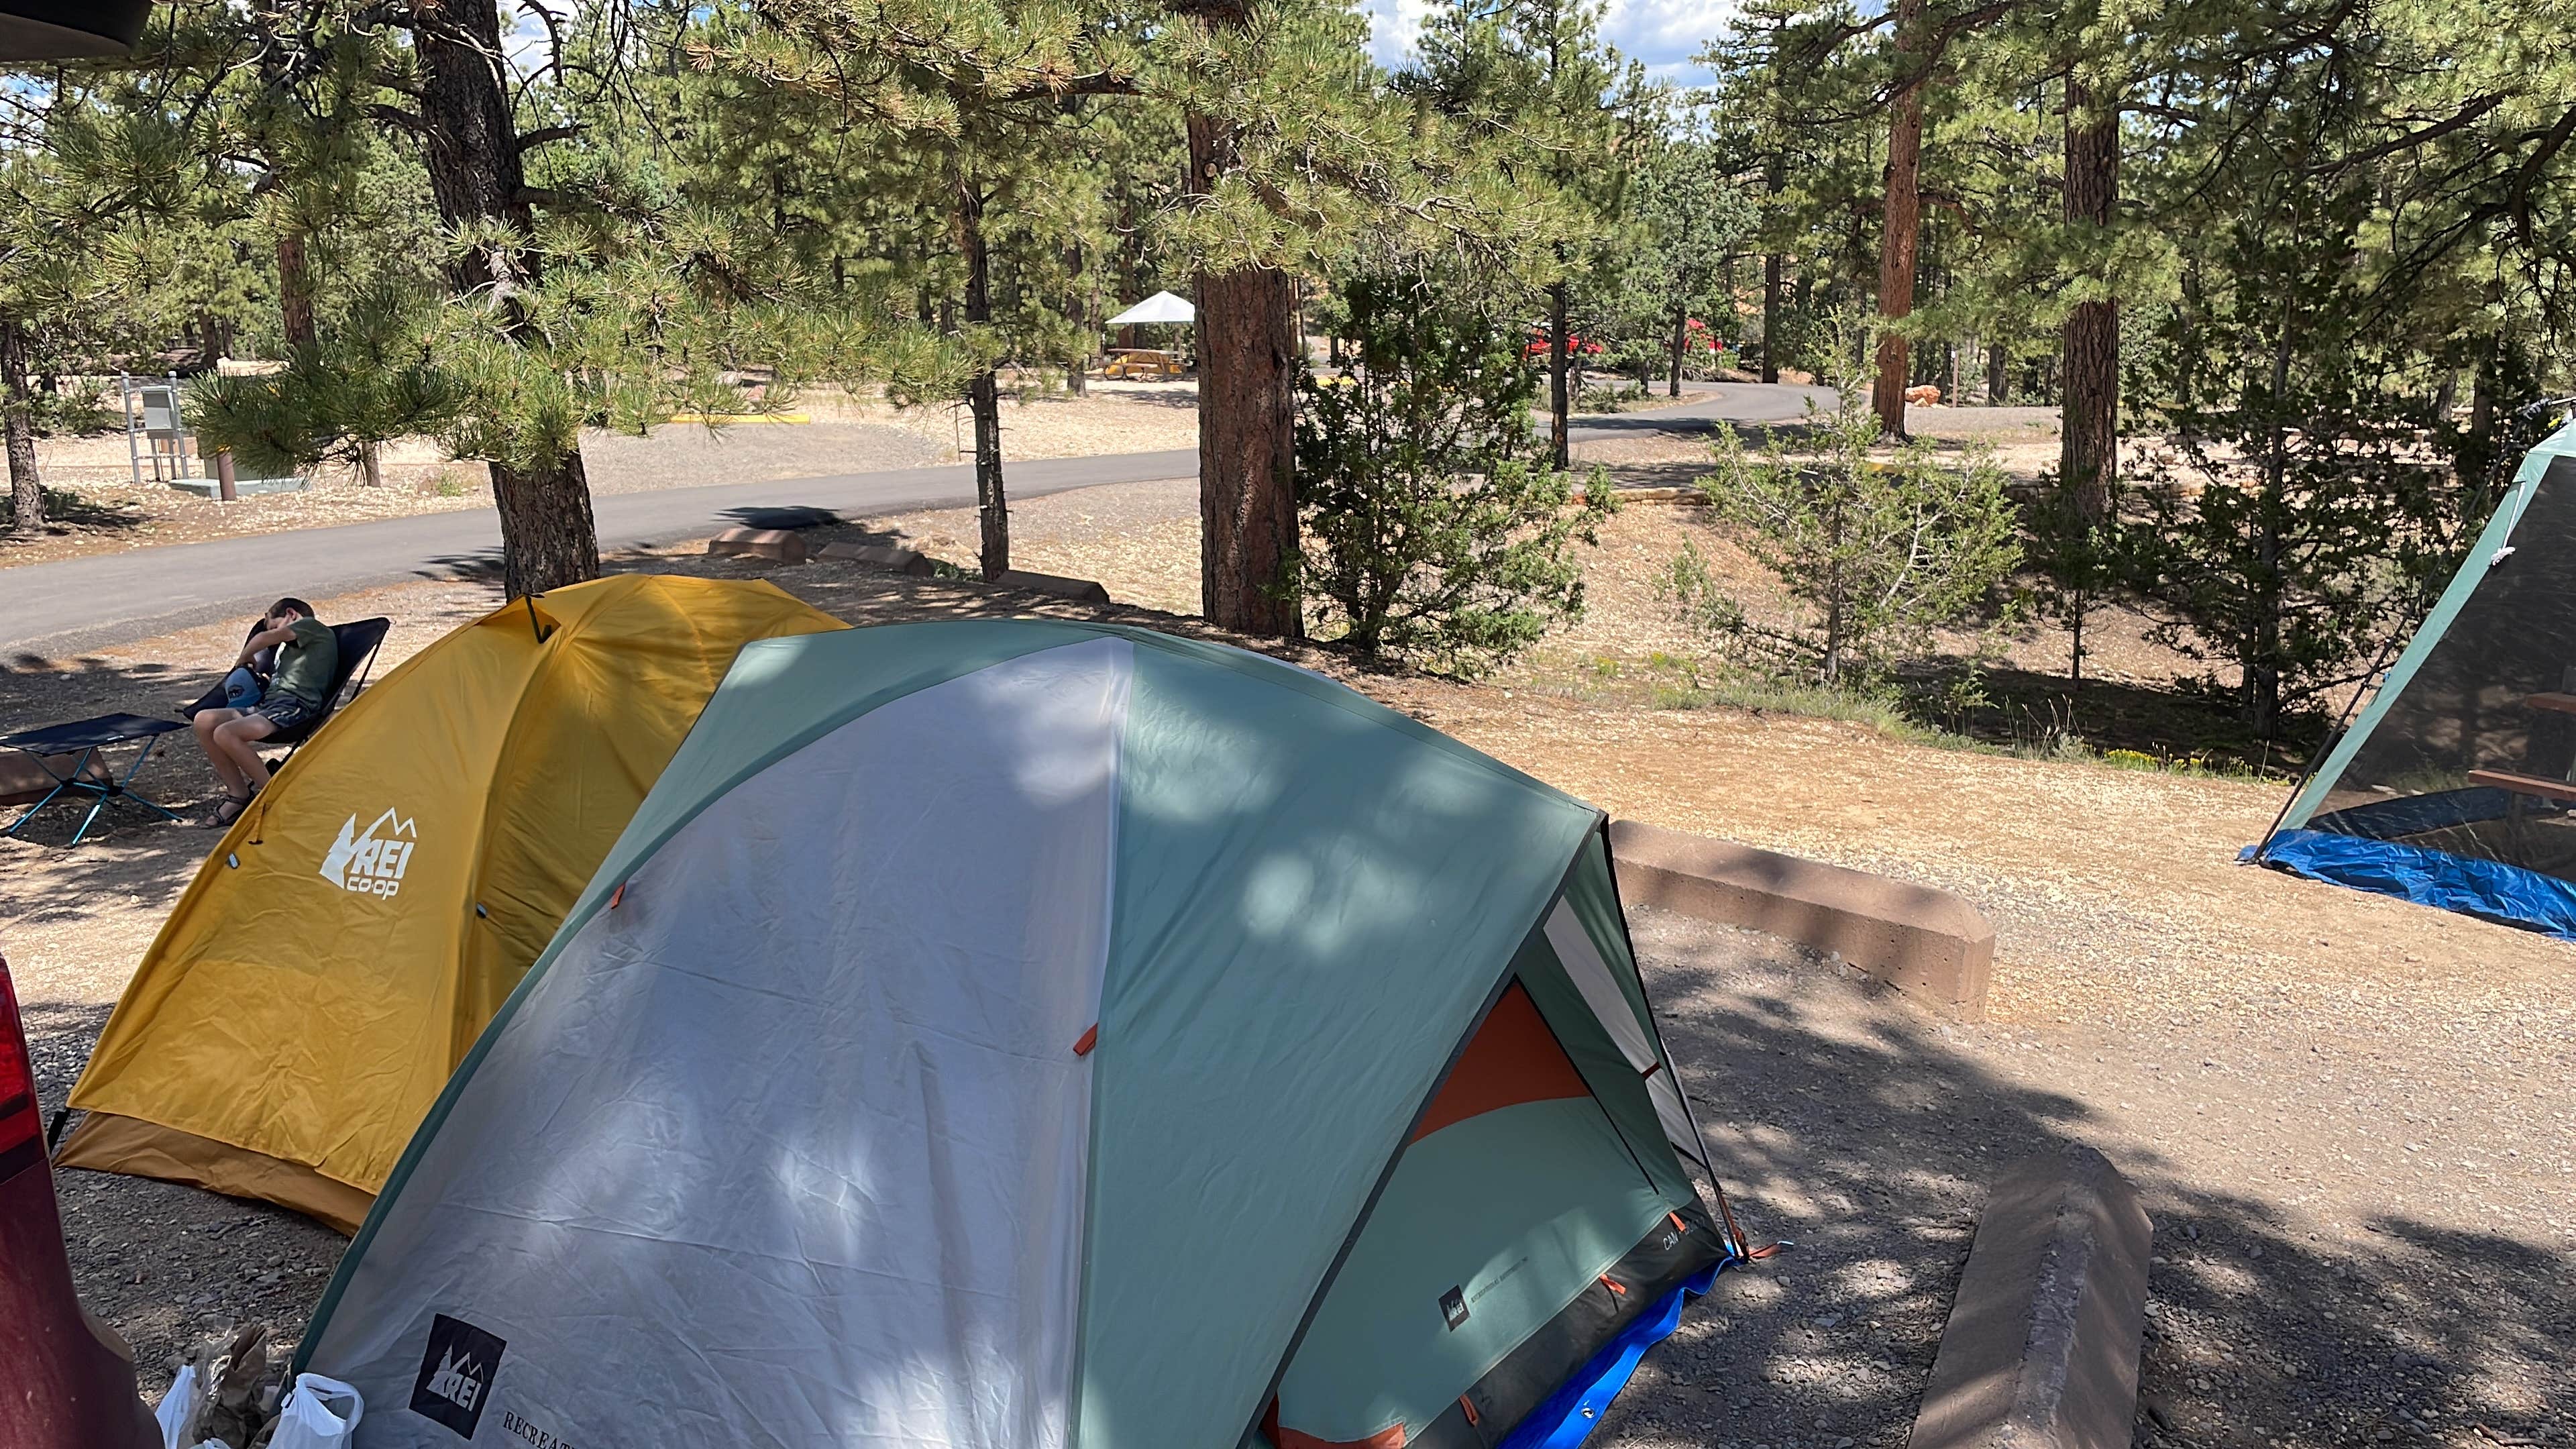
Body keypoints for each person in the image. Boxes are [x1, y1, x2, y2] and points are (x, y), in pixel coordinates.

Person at [193, 598, 337, 826]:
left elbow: (261, 638)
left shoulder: (311, 626)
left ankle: (275, 797)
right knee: (204, 720)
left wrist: (244, 659)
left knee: (226, 733)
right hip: (271, 705)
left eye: (274, 626)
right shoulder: (295, 645)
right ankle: (238, 795)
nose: (274, 635)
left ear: (291, 614)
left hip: (295, 706)